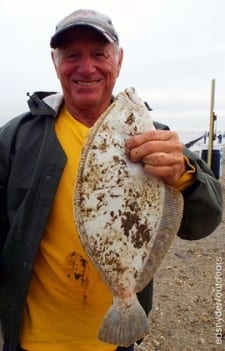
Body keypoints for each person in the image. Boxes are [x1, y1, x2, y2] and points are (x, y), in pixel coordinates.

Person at [0, 8, 222, 351]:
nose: (86, 68)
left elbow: (205, 220)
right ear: (55, 62)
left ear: (118, 62)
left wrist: (183, 176)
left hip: (115, 341)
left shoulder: (155, 139)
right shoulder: (17, 138)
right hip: (32, 337)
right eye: (72, 55)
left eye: (99, 54)